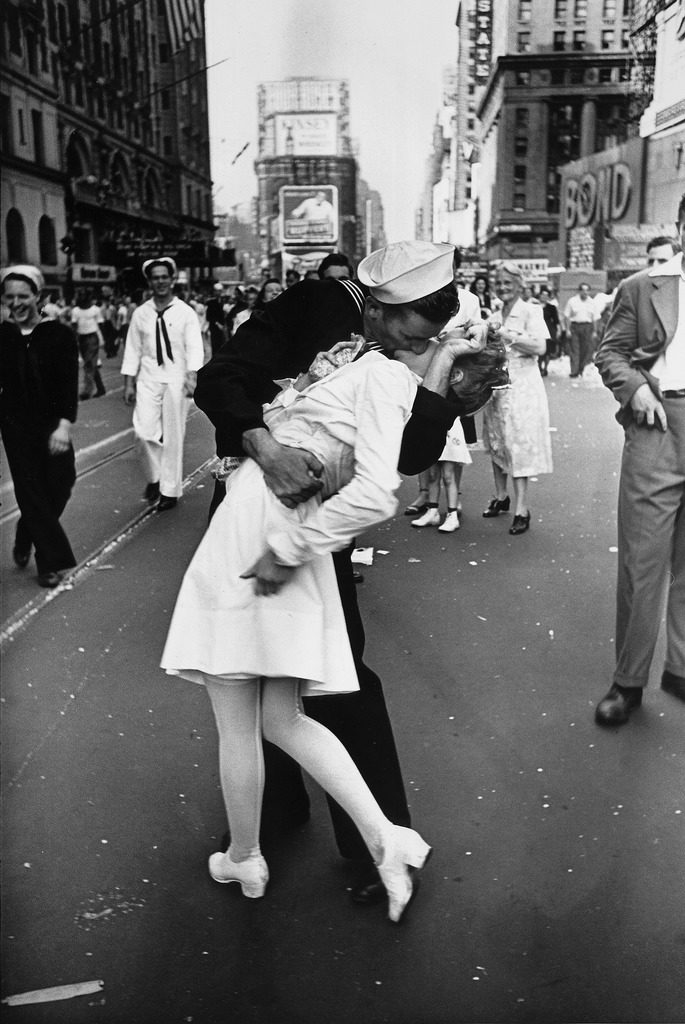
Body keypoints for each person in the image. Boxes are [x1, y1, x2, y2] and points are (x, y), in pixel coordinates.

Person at [193, 241, 487, 906]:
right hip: (253, 493)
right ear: (377, 306)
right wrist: (265, 448)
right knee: (248, 667)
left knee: (336, 672)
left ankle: (374, 840)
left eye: (424, 336)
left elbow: (405, 459)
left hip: (320, 524)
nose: (404, 343)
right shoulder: (314, 304)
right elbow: (221, 378)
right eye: (401, 327)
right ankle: (267, 815)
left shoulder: (428, 352)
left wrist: (438, 384)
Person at [593, 194, 685, 726]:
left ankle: (681, 667)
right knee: (642, 562)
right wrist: (635, 390)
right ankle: (627, 683)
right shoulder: (642, 287)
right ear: (680, 227)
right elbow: (610, 353)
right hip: (659, 424)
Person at [0, 265, 79, 588]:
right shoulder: (2, 335)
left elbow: (68, 384)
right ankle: (49, 562)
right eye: (9, 297)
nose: (16, 303)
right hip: (14, 425)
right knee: (30, 489)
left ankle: (26, 530)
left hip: (51, 424)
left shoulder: (59, 335)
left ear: (38, 297)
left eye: (23, 296)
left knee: (61, 483)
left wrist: (63, 426)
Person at [121, 257, 204, 511]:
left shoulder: (185, 312)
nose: (160, 282)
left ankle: (169, 490)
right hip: (148, 378)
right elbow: (133, 349)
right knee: (143, 432)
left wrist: (192, 377)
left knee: (173, 436)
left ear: (172, 279)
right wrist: (128, 383)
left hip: (176, 379)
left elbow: (194, 346)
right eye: (155, 278)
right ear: (149, 281)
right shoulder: (141, 313)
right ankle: (154, 478)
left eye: (164, 277)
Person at [481, 261, 553, 535]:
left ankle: (522, 508)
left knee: (519, 443)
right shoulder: (495, 313)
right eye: (498, 283)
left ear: (520, 285)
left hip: (523, 385)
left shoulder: (531, 311)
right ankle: (501, 496)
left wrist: (505, 335)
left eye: (507, 283)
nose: (502, 288)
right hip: (498, 384)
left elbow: (539, 346)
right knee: (497, 440)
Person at [408, 279, 483, 529]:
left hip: (448, 418)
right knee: (432, 470)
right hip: (432, 404)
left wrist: (473, 330)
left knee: (449, 471)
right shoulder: (424, 348)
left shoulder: (469, 302)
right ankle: (432, 509)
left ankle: (452, 511)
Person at [71, 289, 106, 399]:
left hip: (92, 338)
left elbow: (101, 325)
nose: (82, 298)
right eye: (80, 296)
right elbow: (74, 326)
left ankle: (87, 390)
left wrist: (102, 340)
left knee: (89, 364)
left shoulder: (95, 310)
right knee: (90, 364)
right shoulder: (76, 310)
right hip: (82, 338)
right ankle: (101, 388)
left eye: (83, 296)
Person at [562, 282, 598, 378]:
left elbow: (595, 318)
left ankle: (581, 369)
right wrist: (567, 330)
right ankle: (574, 371)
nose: (585, 292)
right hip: (575, 327)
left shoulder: (592, 302)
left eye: (587, 290)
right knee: (575, 350)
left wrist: (594, 331)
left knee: (585, 350)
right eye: (583, 290)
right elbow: (567, 316)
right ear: (579, 291)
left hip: (587, 327)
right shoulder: (572, 301)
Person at [538, 285, 561, 373]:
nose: (544, 297)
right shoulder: (534, 306)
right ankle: (539, 367)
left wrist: (558, 330)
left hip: (549, 330)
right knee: (540, 350)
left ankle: (545, 368)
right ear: (539, 295)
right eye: (542, 295)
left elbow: (556, 320)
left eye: (546, 295)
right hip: (537, 329)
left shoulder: (551, 307)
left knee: (547, 350)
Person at [206, 284, 227, 356]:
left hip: (223, 328)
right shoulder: (211, 303)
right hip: (215, 328)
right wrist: (217, 324)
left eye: (220, 291)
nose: (218, 293)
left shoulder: (224, 301)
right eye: (217, 291)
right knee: (215, 347)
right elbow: (208, 317)